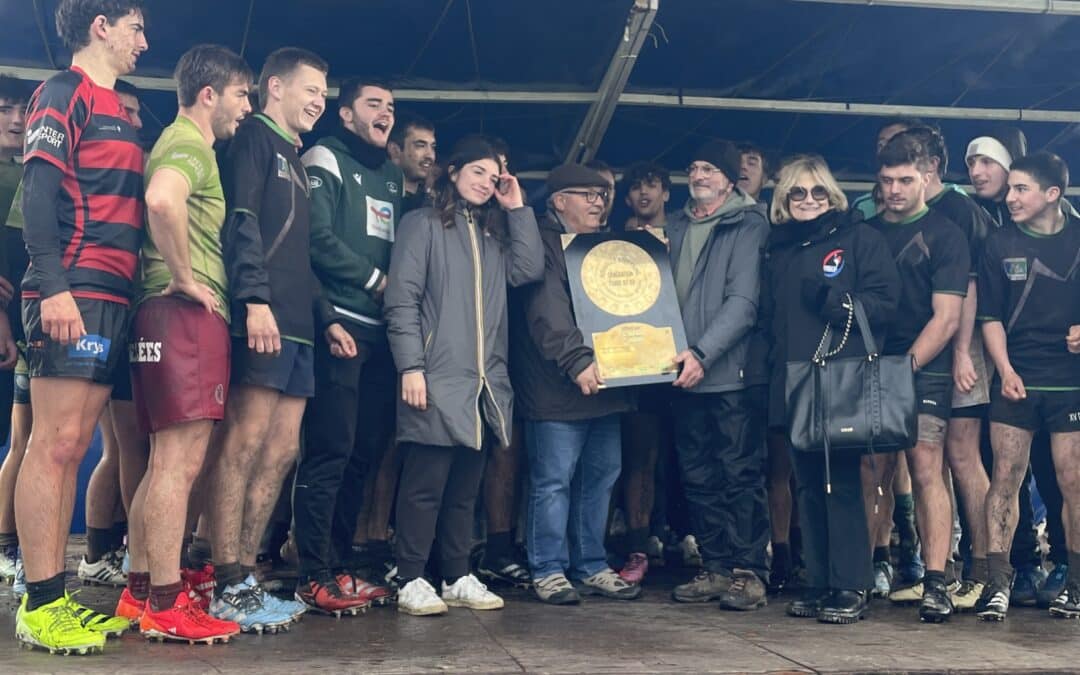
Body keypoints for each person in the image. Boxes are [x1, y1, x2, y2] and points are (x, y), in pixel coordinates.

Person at [13, 0, 147, 655]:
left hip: (115, 295)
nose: (144, 43)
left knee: (75, 444)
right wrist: (55, 285)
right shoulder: (62, 92)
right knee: (56, 443)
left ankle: (58, 595)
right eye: (136, 28)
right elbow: (37, 195)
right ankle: (38, 606)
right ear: (102, 26)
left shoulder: (126, 108)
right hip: (73, 287)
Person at [113, 44, 255, 643]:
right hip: (181, 315)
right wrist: (187, 277)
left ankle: (141, 592)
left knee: (162, 463)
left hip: (159, 316)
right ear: (208, 94)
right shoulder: (188, 144)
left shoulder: (179, 141)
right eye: (242, 95)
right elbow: (162, 200)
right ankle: (169, 603)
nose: (246, 108)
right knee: (179, 463)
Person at [384, 137, 543, 616]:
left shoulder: (495, 239)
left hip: (483, 385)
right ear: (452, 172)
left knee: (464, 492)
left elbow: (530, 268)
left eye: (494, 178)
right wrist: (411, 366)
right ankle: (410, 577)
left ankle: (456, 575)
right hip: (434, 376)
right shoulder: (421, 224)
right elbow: (401, 300)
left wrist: (517, 207)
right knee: (424, 488)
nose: (486, 183)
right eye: (477, 172)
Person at [206, 47, 333, 630]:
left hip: (301, 328)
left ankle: (248, 578)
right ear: (274, 87)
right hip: (263, 319)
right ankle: (222, 577)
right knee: (244, 444)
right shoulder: (254, 138)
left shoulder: (298, 157)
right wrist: (253, 300)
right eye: (311, 90)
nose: (319, 101)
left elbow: (301, 254)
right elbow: (243, 222)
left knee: (281, 452)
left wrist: (326, 315)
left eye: (325, 95)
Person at [762, 155, 900, 624]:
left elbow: (884, 304)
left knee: (839, 484)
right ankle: (819, 580)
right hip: (790, 381)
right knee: (807, 485)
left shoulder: (860, 238)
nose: (807, 200)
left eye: (817, 191)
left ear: (832, 195)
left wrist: (833, 302)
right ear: (783, 198)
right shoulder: (777, 247)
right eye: (797, 192)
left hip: (838, 382)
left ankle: (851, 585)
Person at [293, 77, 400, 613]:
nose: (385, 114)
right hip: (338, 324)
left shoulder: (394, 176)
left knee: (363, 453)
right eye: (373, 104)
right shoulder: (325, 158)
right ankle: (309, 572)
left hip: (384, 335)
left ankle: (338, 567)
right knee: (329, 450)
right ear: (346, 114)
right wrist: (377, 281)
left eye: (391, 108)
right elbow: (316, 239)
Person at [512, 164, 639, 604]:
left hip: (607, 384)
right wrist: (577, 359)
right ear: (558, 200)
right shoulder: (543, 242)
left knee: (602, 477)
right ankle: (547, 569)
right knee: (553, 481)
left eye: (601, 195)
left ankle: (591, 564)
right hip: (557, 385)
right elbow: (545, 311)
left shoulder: (604, 244)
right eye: (586, 194)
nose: (597, 202)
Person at [867, 133, 969, 623]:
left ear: (926, 177)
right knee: (871, 471)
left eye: (905, 180)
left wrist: (902, 370)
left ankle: (936, 581)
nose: (895, 190)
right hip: (866, 365)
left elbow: (947, 318)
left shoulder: (947, 233)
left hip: (921, 367)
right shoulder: (862, 231)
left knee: (926, 465)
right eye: (886, 180)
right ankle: (871, 567)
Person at [666, 139, 770, 611]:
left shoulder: (748, 225)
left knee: (739, 473)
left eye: (709, 168)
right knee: (697, 475)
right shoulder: (673, 226)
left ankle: (749, 572)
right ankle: (715, 566)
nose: (700, 174)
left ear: (730, 179)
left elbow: (743, 303)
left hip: (729, 373)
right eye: (694, 166)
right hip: (680, 373)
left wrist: (702, 353)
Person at [975, 151, 1080, 621]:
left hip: (1071, 382)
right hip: (1016, 379)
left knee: (1074, 483)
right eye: (1010, 188)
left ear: (1052, 194)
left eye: (1021, 189)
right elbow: (990, 316)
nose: (1011, 196)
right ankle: (998, 585)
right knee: (1005, 479)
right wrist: (1004, 369)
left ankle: (1075, 585)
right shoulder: (998, 242)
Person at [0, 73, 29, 586]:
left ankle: (8, 547)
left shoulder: (27, 171)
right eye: (5, 108)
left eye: (22, 109)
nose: (17, 119)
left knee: (17, 438)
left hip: (21, 323)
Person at [387, 112, 436, 213]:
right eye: (420, 145)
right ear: (394, 150)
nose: (430, 155)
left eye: (433, 147)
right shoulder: (378, 196)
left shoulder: (435, 202)